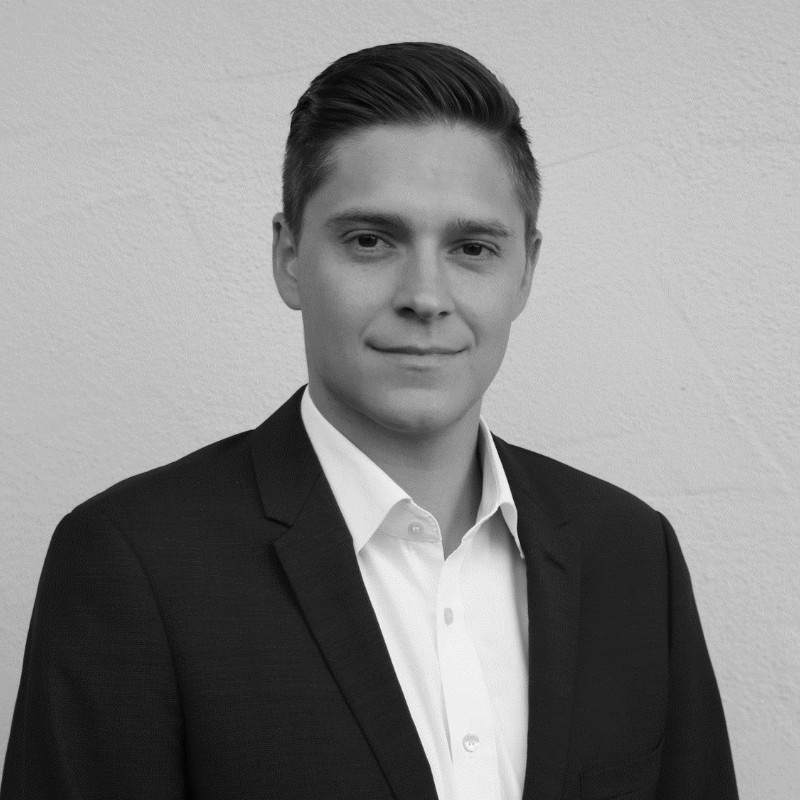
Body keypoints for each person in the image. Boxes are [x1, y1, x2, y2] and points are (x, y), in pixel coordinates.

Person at [1, 42, 738, 800]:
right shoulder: (132, 563)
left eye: (472, 247)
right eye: (370, 241)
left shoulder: (632, 554)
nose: (426, 296)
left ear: (526, 270)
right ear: (290, 257)